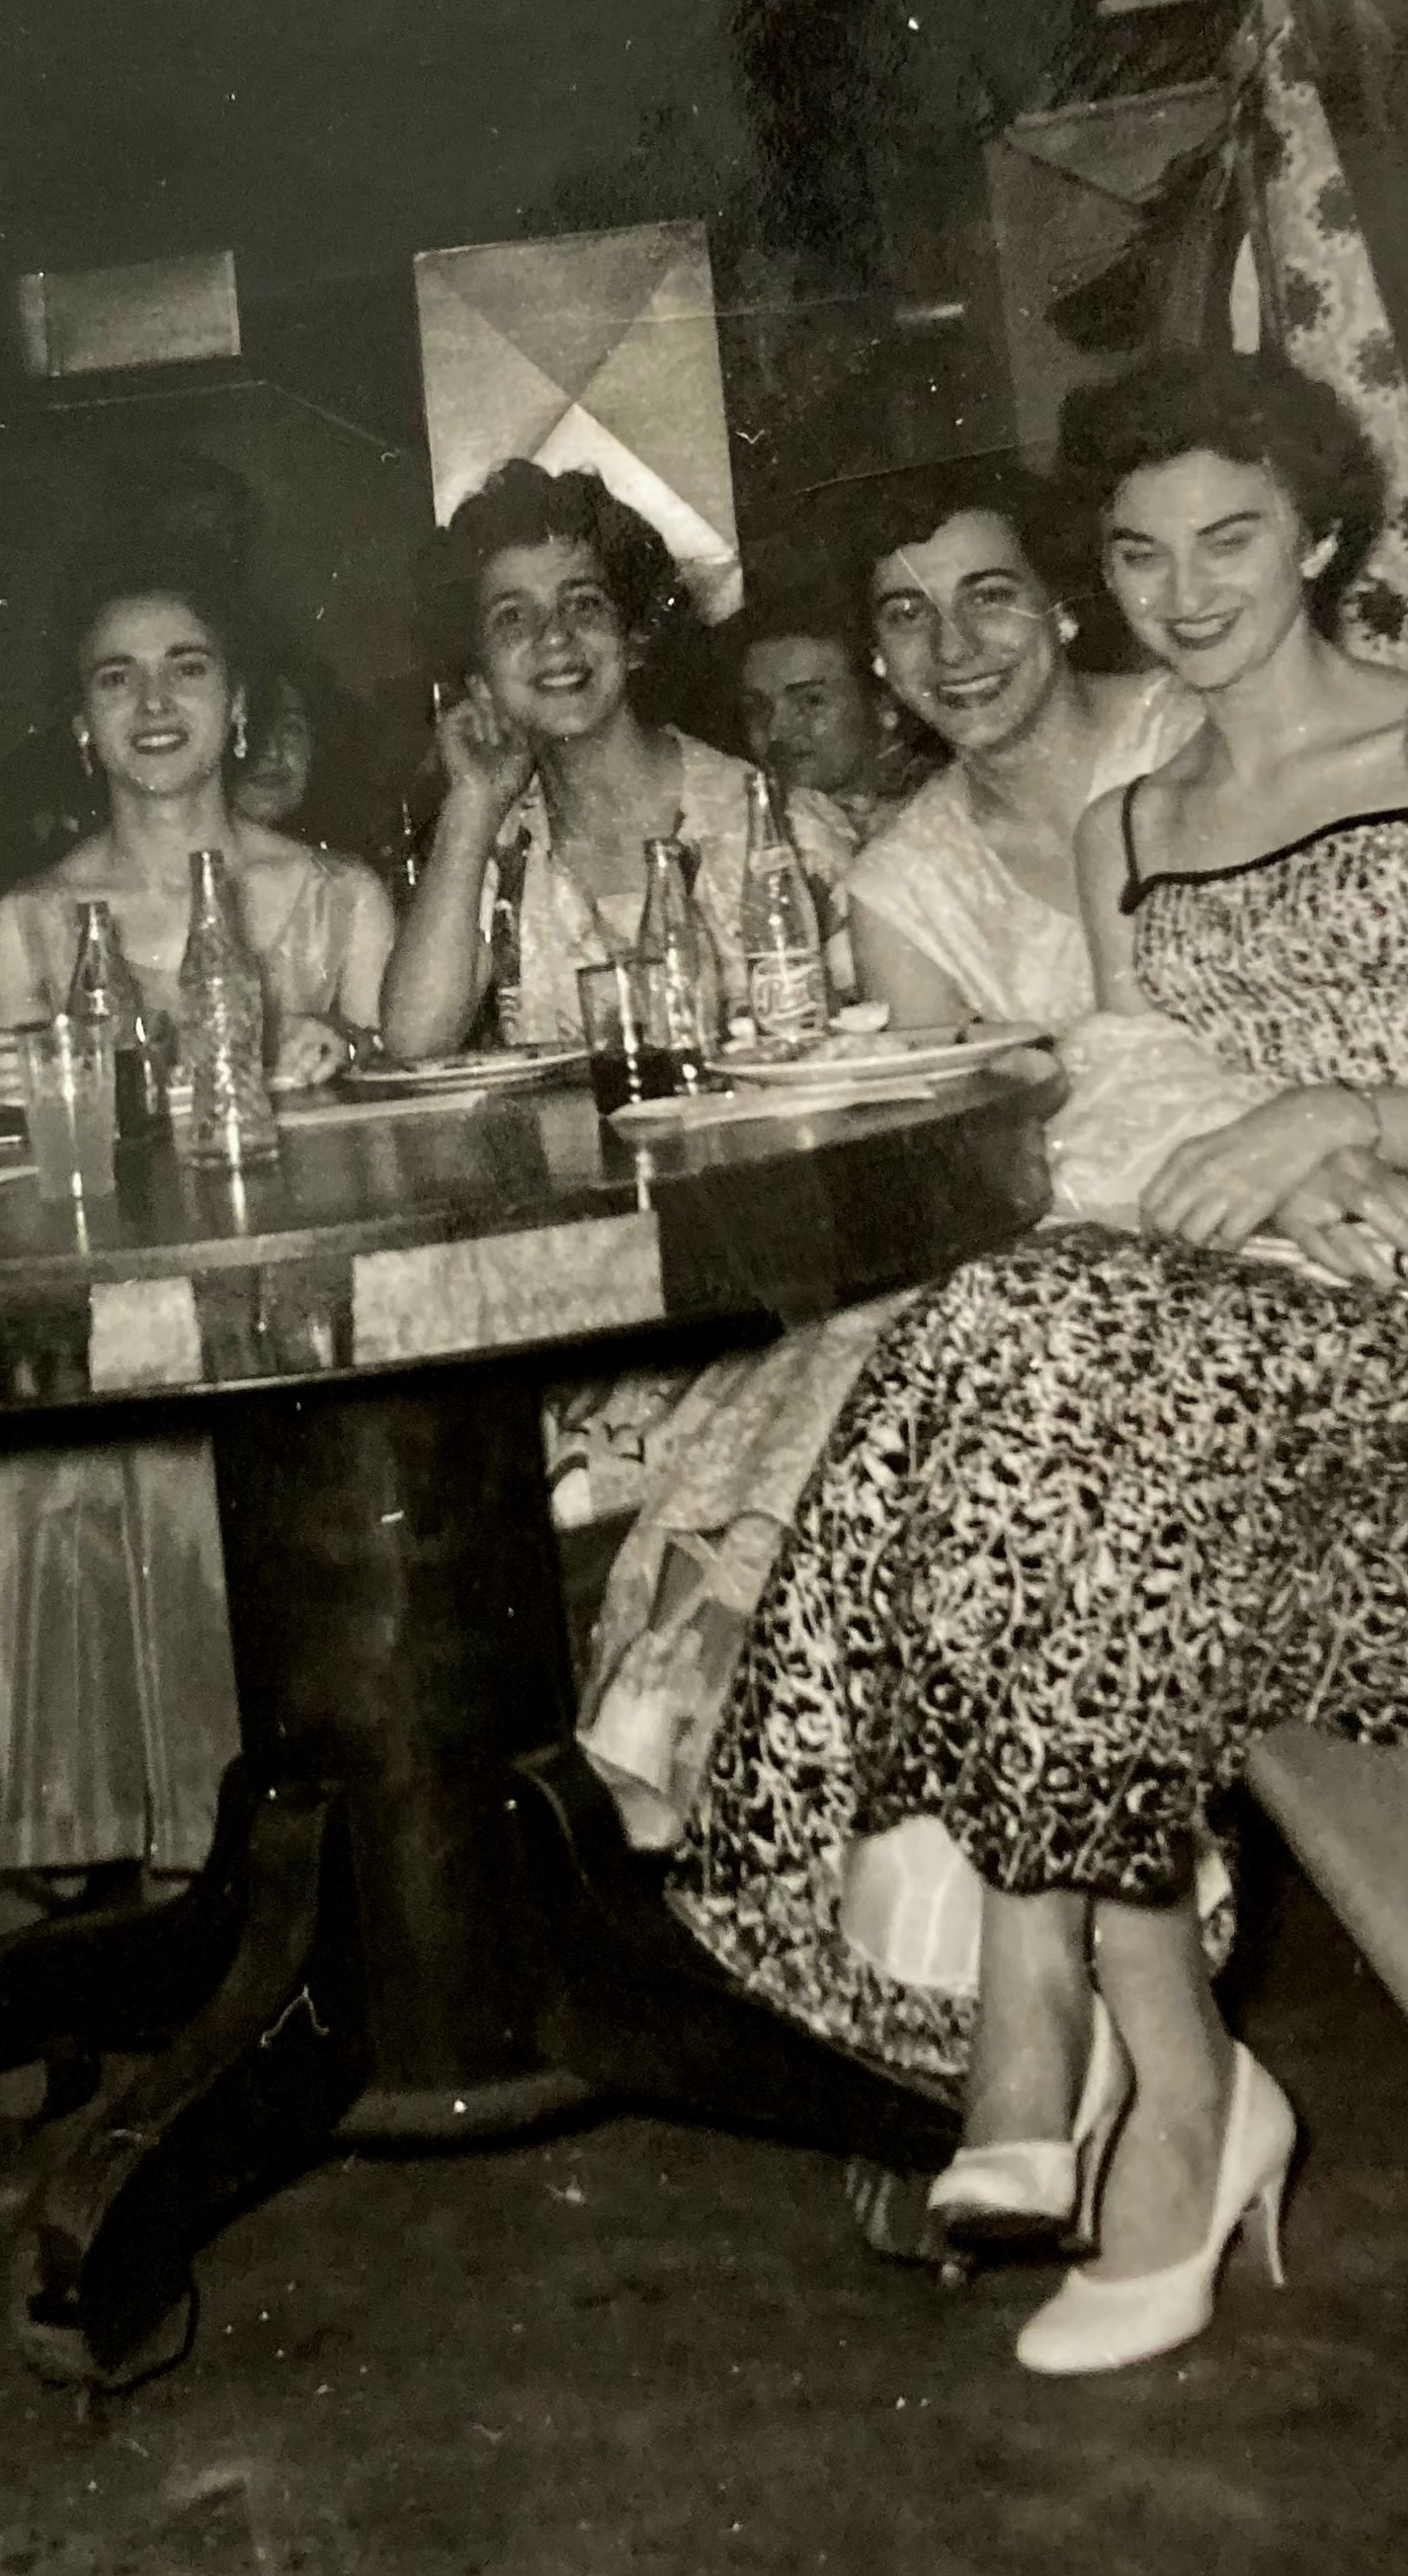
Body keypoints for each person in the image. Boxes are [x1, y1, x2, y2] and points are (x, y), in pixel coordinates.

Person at [674, 350, 1408, 2374]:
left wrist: (1337, 1118)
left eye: (1228, 537)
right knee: (1043, 1384)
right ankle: (1115, 2048)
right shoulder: (1127, 828)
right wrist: (1214, 1174)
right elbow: (1126, 1126)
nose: (1182, 588)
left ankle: (1060, 2031)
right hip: (1236, 1438)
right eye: (1136, 554)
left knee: (1021, 1367)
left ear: (1319, 532)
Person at [578, 459, 1206, 1840]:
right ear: (876, 652)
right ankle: (736, 1772)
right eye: (907, 617)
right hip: (1050, 1248)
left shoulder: (1188, 738)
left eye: (988, 598)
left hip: (1220, 1217)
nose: (952, 648)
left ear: (1059, 607)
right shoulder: (901, 876)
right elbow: (940, 1164)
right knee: (841, 1356)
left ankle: (739, 1733)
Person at [0, 539, 393, 1892]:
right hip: (114, 1350)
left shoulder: (336, 899)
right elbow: (20, 1221)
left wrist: (344, 1067)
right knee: (94, 1459)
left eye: (185, 668)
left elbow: (404, 1162)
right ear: (79, 723)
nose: (153, 703)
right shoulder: (25, 927)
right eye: (114, 678)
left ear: (238, 700)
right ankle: (152, 1877)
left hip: (318, 1332)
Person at [379, 459, 853, 1063]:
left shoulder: (783, 828)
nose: (554, 638)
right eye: (512, 618)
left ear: (634, 641)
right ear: (480, 680)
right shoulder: (499, 856)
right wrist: (471, 804)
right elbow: (414, 1039)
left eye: (583, 605)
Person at [734, 570, 937, 841]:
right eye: (757, 709)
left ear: (882, 703)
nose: (775, 731)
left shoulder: (935, 815)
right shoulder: (746, 825)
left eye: (811, 701)